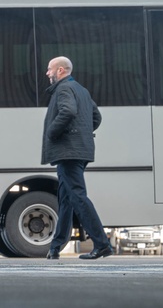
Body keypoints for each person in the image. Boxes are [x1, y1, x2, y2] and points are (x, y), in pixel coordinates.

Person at [42, 56, 112, 260]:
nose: (47, 73)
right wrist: (82, 133)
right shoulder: (81, 90)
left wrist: (52, 132)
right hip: (79, 151)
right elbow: (96, 117)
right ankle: (55, 247)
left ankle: (102, 244)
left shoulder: (63, 89)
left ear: (61, 71)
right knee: (66, 199)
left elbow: (68, 111)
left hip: (68, 152)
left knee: (78, 197)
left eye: (50, 69)